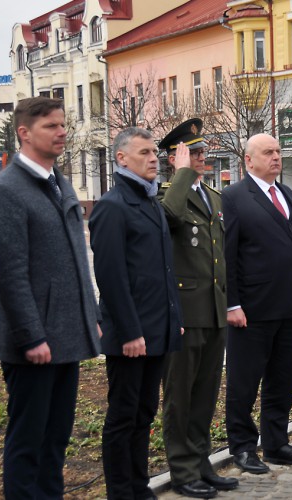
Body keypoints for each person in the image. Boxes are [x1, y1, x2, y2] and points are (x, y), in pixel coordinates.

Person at [0, 97, 102, 498]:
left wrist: (92, 314)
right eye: (51, 125)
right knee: (28, 443)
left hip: (66, 336)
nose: (62, 131)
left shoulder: (59, 182)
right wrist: (32, 337)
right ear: (24, 133)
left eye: (63, 124)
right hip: (34, 344)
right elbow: (10, 274)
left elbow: (76, 263)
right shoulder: (5, 191)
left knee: (56, 441)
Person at [90, 127, 183, 499]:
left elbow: (163, 270)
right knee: (122, 416)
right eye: (143, 152)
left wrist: (173, 322)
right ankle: (120, 491)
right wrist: (129, 332)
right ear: (121, 158)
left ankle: (138, 485)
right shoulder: (112, 206)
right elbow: (111, 278)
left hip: (157, 330)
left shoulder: (150, 202)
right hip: (131, 335)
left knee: (144, 414)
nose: (153, 158)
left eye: (154, 153)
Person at [221, 133, 292, 474]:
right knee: (244, 383)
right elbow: (227, 255)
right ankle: (243, 447)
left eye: (278, 151)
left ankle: (277, 442)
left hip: (289, 306)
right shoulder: (232, 198)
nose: (276, 157)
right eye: (268, 152)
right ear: (249, 160)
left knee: (283, 379)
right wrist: (232, 304)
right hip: (252, 310)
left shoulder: (286, 193)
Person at [157, 120, 235, 498]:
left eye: (204, 153)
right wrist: (181, 175)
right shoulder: (166, 196)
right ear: (175, 158)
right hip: (185, 314)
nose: (203, 159)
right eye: (194, 153)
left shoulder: (214, 198)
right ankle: (182, 470)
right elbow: (168, 221)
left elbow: (219, 257)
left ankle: (201, 461)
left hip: (214, 310)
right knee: (180, 397)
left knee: (205, 394)